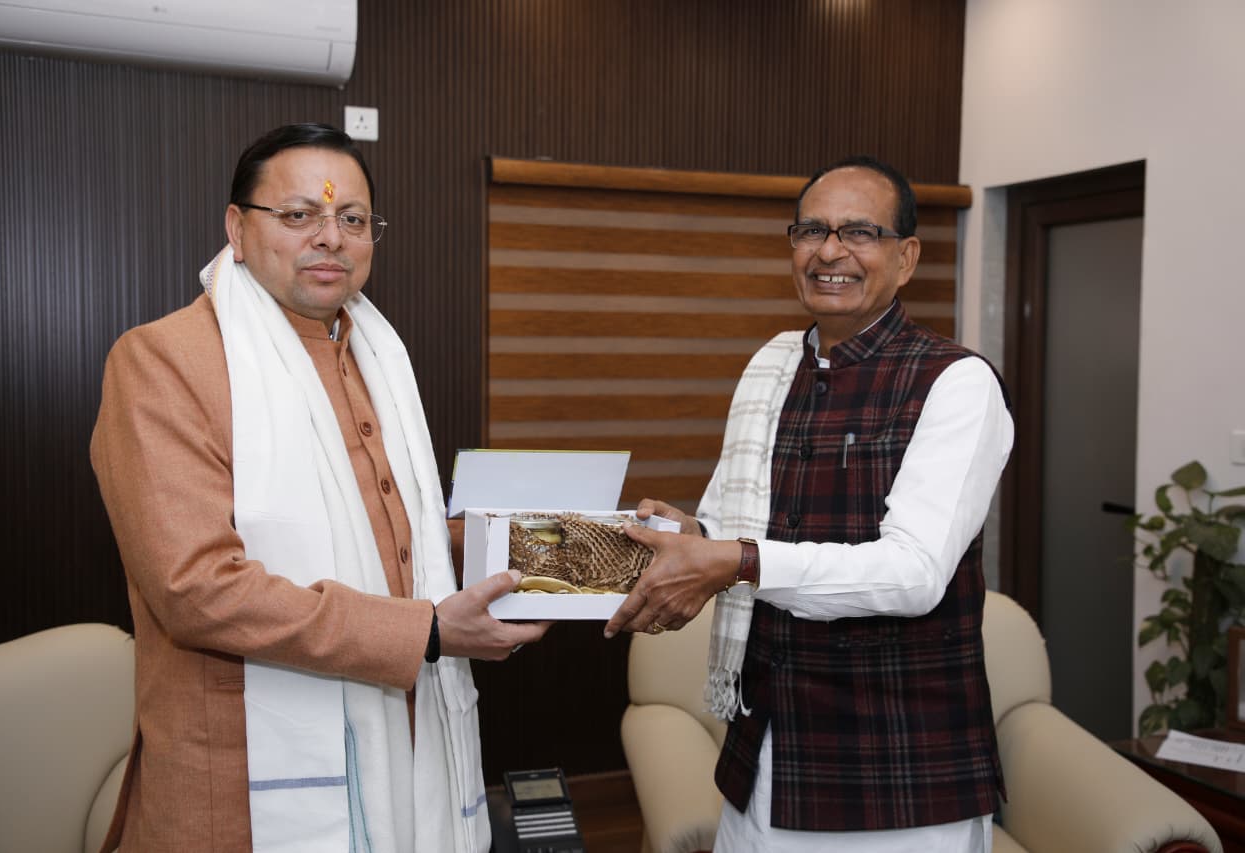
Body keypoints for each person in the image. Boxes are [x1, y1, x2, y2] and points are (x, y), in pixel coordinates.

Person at [91, 123, 548, 853]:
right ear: (237, 229)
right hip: (240, 786)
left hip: (403, 748)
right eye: (299, 214)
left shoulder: (377, 357)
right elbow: (196, 589)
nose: (330, 237)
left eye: (353, 219)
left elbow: (386, 536)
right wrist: (427, 632)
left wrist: (540, 547)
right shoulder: (163, 361)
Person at [604, 155, 1014, 852]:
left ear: (907, 257)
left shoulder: (956, 382)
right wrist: (691, 534)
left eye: (860, 232)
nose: (830, 251)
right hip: (758, 750)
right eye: (812, 230)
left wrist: (735, 559)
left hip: (893, 778)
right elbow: (734, 529)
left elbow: (913, 573)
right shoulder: (772, 368)